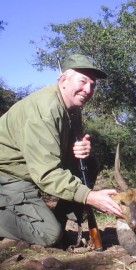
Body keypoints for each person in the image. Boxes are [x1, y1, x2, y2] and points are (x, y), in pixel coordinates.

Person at [0, 54, 123, 248]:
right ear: (63, 80)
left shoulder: (72, 106)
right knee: (49, 235)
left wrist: (76, 149)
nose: (88, 89)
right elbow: (46, 173)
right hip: (8, 176)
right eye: (82, 81)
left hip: (30, 171)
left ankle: (58, 221)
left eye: (93, 85)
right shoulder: (45, 110)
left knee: (89, 163)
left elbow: (53, 150)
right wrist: (90, 196)